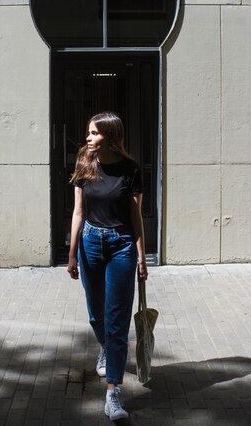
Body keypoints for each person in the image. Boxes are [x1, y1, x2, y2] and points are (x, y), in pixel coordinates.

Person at [67, 111, 148, 421]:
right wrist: (72, 251)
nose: (88, 137)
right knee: (95, 313)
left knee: (117, 322)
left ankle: (113, 392)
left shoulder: (130, 169)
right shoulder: (84, 163)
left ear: (110, 136)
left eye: (94, 133)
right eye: (88, 132)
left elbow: (135, 216)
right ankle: (105, 346)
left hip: (121, 246)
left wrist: (141, 254)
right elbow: (78, 212)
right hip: (89, 243)